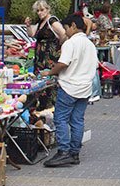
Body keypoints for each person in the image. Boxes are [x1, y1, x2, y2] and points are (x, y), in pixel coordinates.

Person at [42, 15, 98, 167]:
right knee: (77, 120)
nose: (65, 32)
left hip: (69, 87)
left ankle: (63, 152)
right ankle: (74, 153)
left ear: (73, 25)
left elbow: (63, 63)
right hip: (85, 88)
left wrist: (50, 72)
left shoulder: (70, 43)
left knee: (60, 119)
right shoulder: (89, 44)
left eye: (66, 29)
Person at [25, 0, 67, 109]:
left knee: (49, 83)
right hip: (40, 59)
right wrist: (28, 26)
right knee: (39, 83)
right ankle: (41, 108)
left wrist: (59, 46)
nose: (40, 13)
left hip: (50, 58)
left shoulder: (52, 21)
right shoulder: (40, 22)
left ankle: (51, 108)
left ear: (48, 9)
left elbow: (63, 34)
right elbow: (32, 34)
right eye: (38, 11)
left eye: (42, 10)